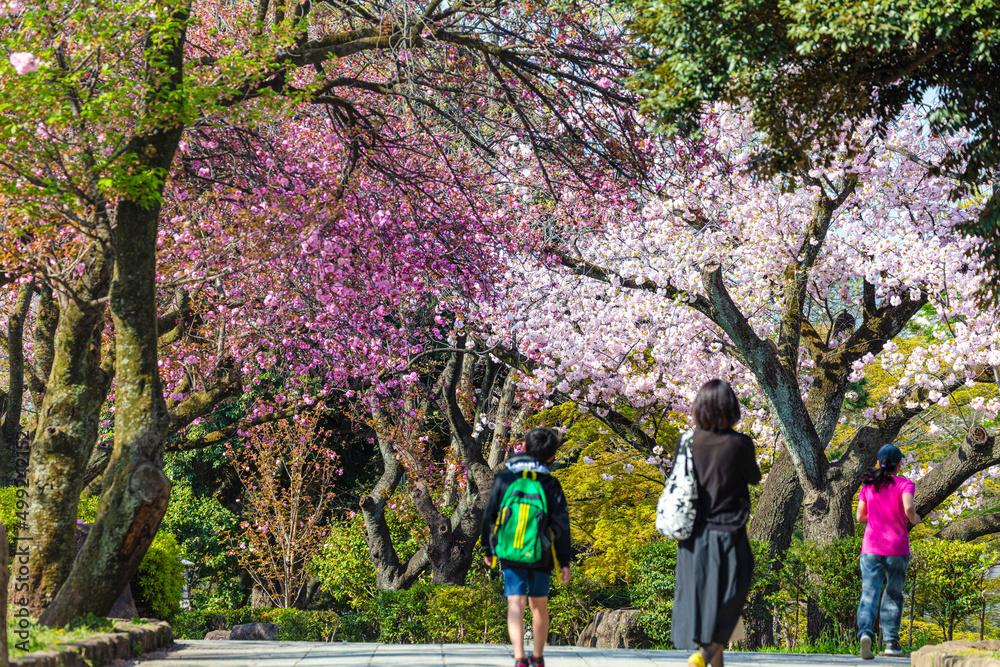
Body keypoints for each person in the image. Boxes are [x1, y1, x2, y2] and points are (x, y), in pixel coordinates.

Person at [672, 379, 762, 667]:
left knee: (702, 600)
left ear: (700, 408)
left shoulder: (687, 441)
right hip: (729, 533)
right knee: (732, 594)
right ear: (731, 408)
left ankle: (706, 655)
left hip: (693, 535)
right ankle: (705, 654)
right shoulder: (740, 444)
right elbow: (754, 477)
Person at [482, 427, 572, 667]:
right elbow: (561, 524)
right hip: (540, 552)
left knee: (515, 603)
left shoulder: (505, 477)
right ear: (551, 456)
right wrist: (564, 561)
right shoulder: (550, 483)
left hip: (510, 549)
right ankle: (538, 657)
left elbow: (490, 515)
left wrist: (487, 549)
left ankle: (520, 658)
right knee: (539, 604)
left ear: (523, 447)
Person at [856, 443, 920, 660]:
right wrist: (914, 519)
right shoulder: (905, 484)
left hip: (871, 548)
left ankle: (865, 633)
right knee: (893, 594)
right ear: (899, 463)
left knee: (869, 593)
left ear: (878, 463)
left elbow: (860, 517)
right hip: (897, 548)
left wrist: (876, 515)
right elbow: (909, 508)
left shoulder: (868, 486)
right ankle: (892, 643)